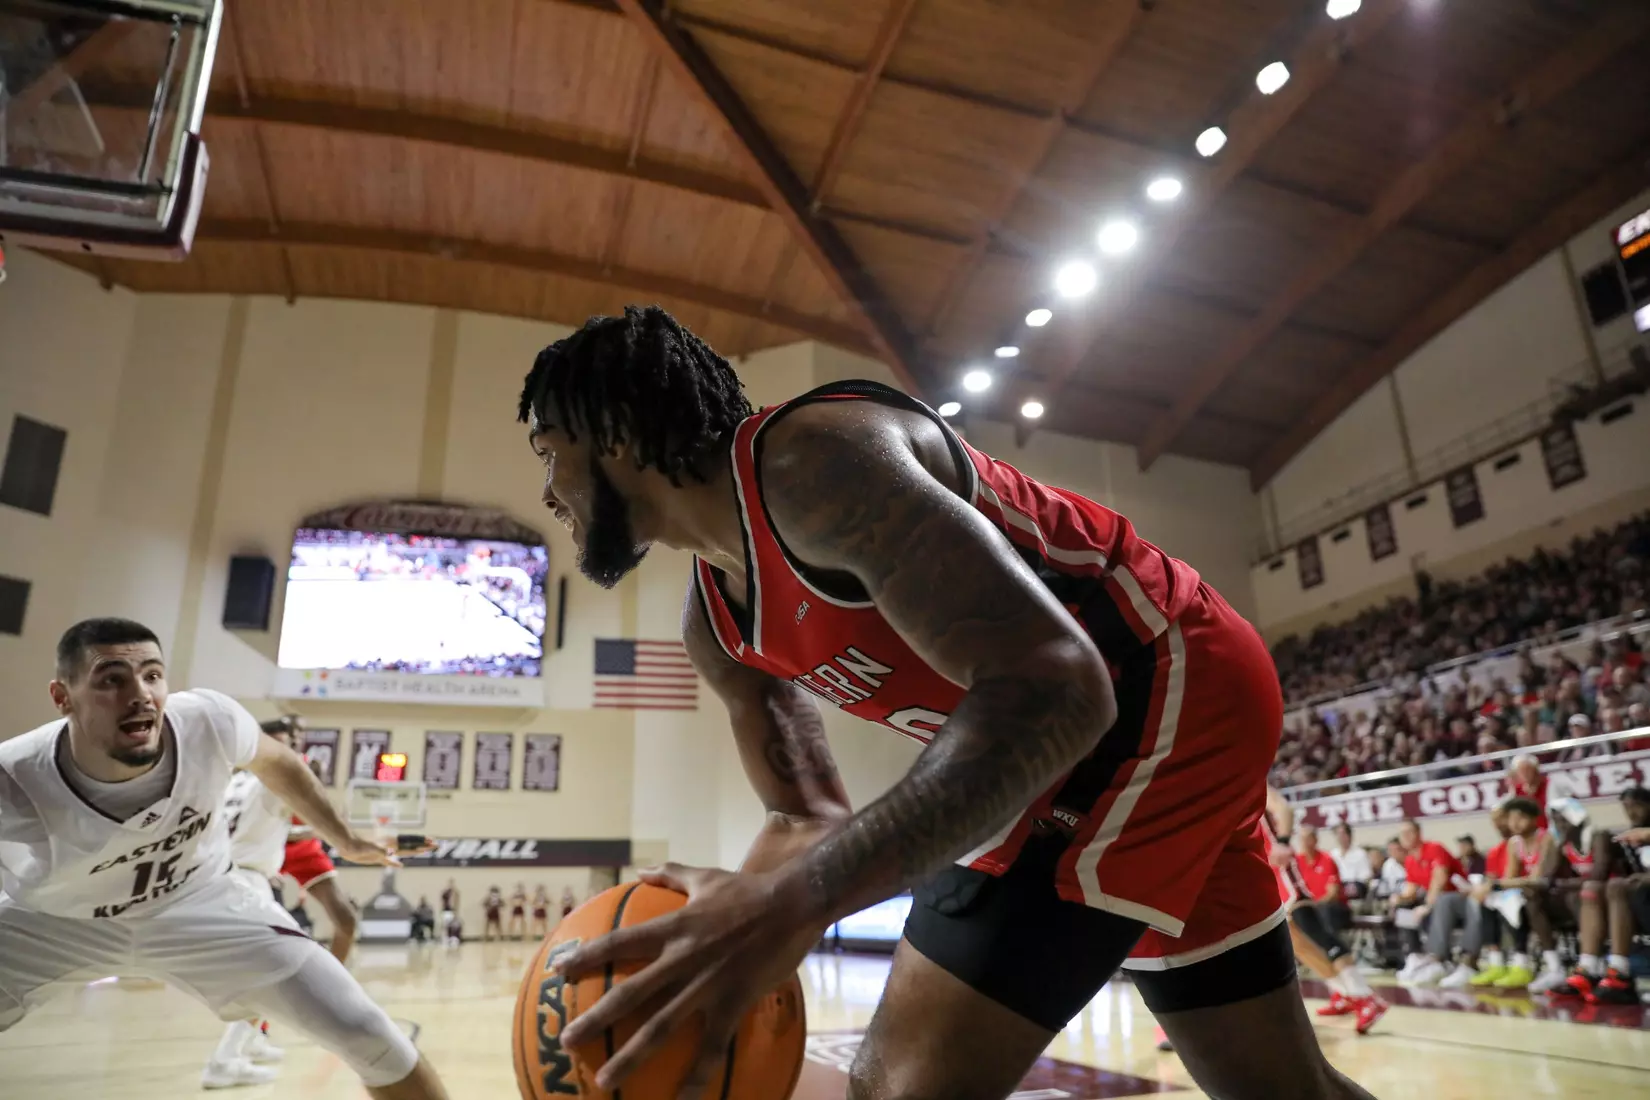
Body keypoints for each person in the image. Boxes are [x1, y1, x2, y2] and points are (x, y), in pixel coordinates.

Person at [516, 308, 1375, 1100]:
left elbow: (1058, 689)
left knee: (901, 1090)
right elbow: (803, 815)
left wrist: (788, 905)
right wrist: (726, 941)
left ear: (617, 437)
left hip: (1157, 680)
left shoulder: (809, 461)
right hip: (1071, 750)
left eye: (550, 450)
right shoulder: (717, 622)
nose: (549, 488)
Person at [0, 618, 450, 1099]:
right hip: (54, 922)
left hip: (203, 903)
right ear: (62, 696)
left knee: (369, 1034)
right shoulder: (15, 776)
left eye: (153, 675)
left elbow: (278, 761)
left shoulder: (209, 720)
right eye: (112, 679)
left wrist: (346, 839)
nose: (141, 694)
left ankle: (237, 1053)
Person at [1550, 790, 1649, 1004]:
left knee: (1610, 885)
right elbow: (1550, 876)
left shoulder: (1602, 835)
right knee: (1592, 890)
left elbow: (1601, 872)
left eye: (1636, 806)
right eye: (1626, 807)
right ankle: (1590, 968)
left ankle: (1618, 973)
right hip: (1629, 897)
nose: (1631, 812)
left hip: (1634, 894)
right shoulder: (1632, 835)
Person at [280, 729, 358, 966]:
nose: (295, 738)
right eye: (289, 733)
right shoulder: (255, 765)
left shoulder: (310, 766)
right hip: (265, 849)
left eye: (298, 734)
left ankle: (334, 976)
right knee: (264, 927)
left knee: (346, 920)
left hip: (304, 849)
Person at [1496, 797, 1571, 993]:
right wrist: (1513, 883)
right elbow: (1507, 878)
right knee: (1504, 902)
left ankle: (1554, 966)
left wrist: (1512, 883)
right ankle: (1519, 962)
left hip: (1557, 893)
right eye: (1511, 818)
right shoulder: (1514, 843)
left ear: (1534, 819)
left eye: (1520, 817)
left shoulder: (1547, 838)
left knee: (1528, 900)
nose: (1514, 823)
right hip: (1532, 895)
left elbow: (1538, 878)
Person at [1391, 819, 1477, 985]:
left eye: (1410, 832)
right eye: (1403, 834)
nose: (1406, 837)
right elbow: (1411, 889)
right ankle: (1414, 955)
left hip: (1459, 899)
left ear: (1419, 833)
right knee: (1403, 908)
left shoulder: (1434, 848)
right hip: (1438, 901)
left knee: (1437, 903)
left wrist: (1427, 906)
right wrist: (1398, 899)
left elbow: (1440, 880)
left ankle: (1439, 961)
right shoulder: (1409, 859)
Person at [1327, 823, 1372, 905]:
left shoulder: (1360, 853)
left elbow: (1366, 876)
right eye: (1338, 834)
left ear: (1349, 835)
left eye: (1343, 834)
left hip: (1355, 885)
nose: (1341, 837)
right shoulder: (1332, 854)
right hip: (1338, 886)